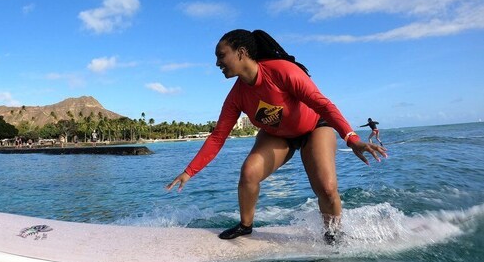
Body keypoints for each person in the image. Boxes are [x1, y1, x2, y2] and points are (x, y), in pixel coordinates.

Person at [166, 29, 388, 244]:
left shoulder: (282, 72)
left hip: (314, 128)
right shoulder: (236, 96)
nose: (217, 63)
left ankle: (333, 234)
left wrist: (351, 139)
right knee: (249, 172)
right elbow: (218, 137)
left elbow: (323, 105)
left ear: (241, 53)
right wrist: (189, 171)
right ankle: (245, 225)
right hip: (278, 136)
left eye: (221, 56)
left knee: (327, 188)